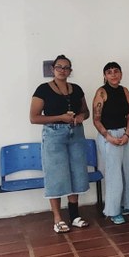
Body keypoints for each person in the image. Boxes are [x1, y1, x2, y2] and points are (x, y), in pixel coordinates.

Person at [29, 54, 90, 234]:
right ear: (52, 69)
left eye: (66, 68)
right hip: (54, 135)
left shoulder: (77, 89)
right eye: (59, 67)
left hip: (76, 133)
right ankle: (57, 218)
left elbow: (85, 111)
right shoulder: (43, 89)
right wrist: (60, 118)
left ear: (70, 71)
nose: (62, 70)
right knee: (55, 175)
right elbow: (34, 118)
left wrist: (81, 116)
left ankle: (74, 216)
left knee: (77, 172)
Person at [92, 62, 129, 225]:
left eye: (116, 71)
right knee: (114, 175)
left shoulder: (124, 91)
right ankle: (113, 211)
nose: (113, 74)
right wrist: (108, 137)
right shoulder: (101, 92)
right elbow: (96, 120)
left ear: (121, 74)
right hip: (108, 136)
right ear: (105, 76)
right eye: (109, 72)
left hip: (124, 135)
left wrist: (127, 134)